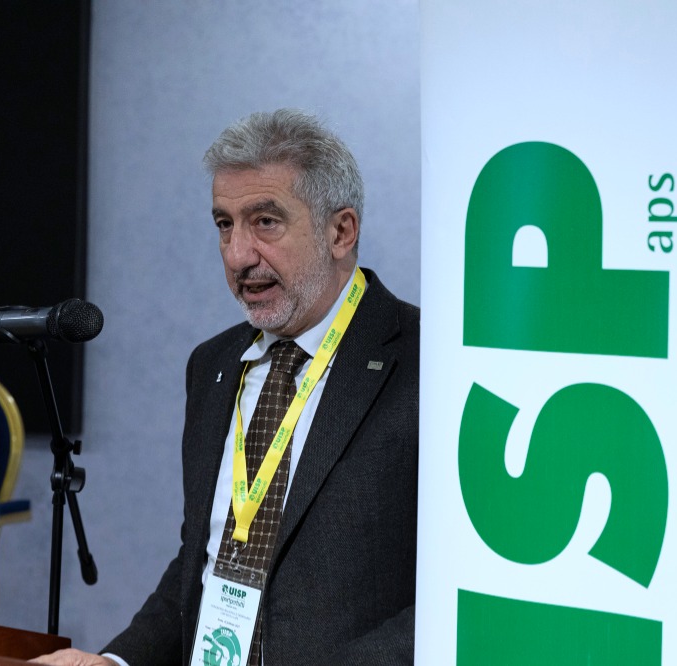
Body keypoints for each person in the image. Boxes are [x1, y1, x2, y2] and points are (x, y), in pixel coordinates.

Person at [35, 110, 418, 665]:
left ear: (341, 231)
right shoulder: (211, 365)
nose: (238, 255)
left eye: (265, 221)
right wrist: (115, 662)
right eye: (224, 224)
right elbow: (205, 558)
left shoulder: (427, 363)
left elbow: (452, 596)